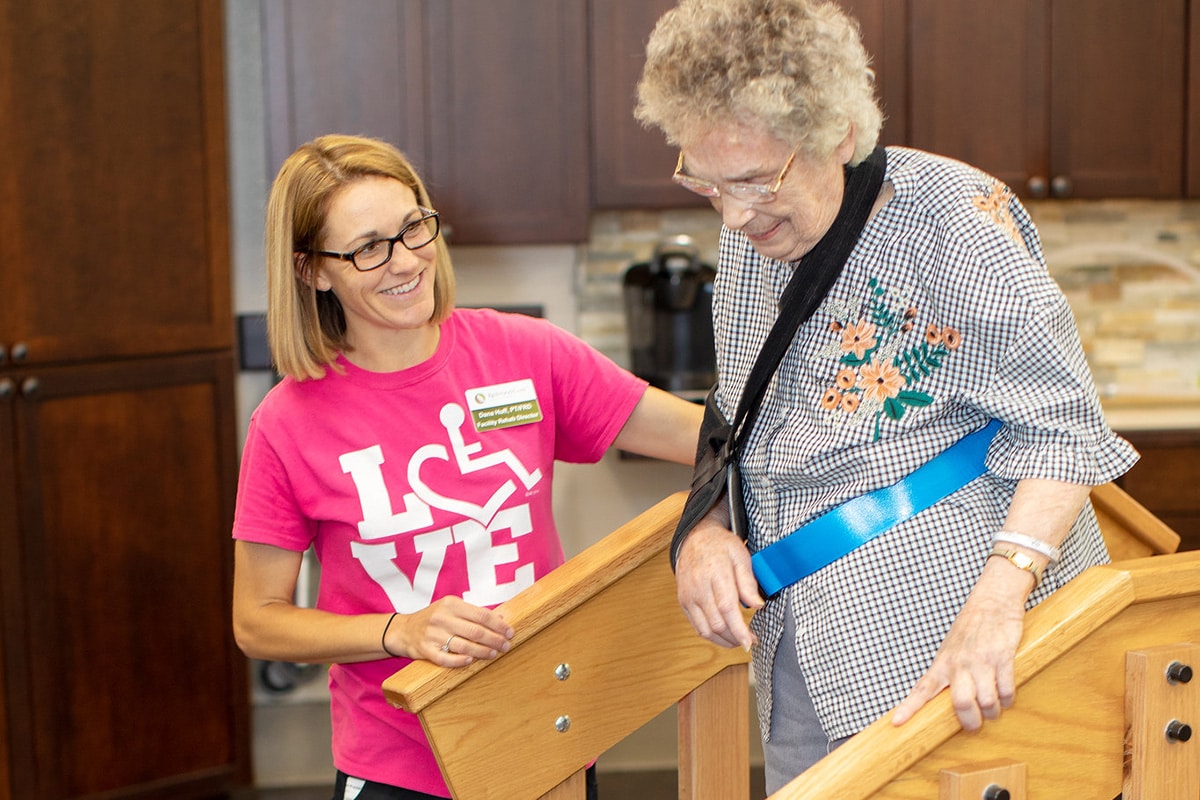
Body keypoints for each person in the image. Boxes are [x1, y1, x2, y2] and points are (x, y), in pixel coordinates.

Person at [635, 0, 1139, 791]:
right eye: (706, 182)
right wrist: (703, 530)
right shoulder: (755, 235)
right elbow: (736, 417)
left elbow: (1063, 430)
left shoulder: (954, 221)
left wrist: (998, 605)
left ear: (837, 134)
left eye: (756, 180)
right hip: (803, 646)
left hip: (962, 642)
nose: (733, 215)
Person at [231, 133, 703, 800]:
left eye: (412, 228)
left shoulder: (525, 353)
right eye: (368, 248)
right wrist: (400, 632)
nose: (405, 262)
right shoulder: (286, 422)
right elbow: (257, 621)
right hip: (399, 765)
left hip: (550, 739)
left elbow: (705, 439)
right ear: (312, 270)